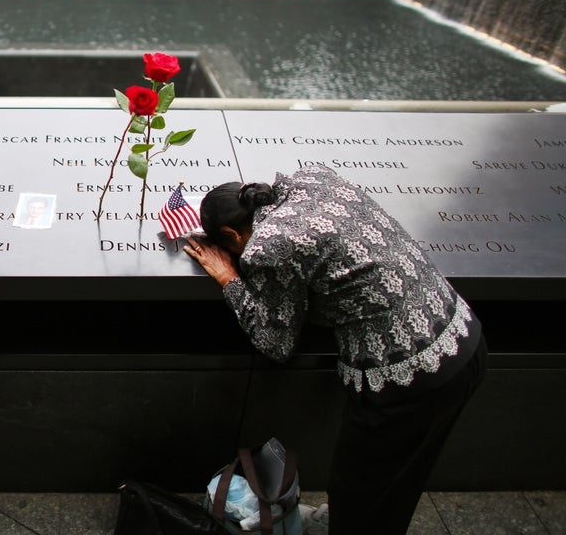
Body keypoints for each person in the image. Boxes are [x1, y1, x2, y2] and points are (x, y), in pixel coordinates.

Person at [183, 164, 487, 535]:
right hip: (460, 333)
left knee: (360, 484)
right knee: (402, 480)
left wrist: (229, 277)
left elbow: (275, 343)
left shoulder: (269, 244)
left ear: (231, 233)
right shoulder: (312, 179)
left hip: (408, 380)